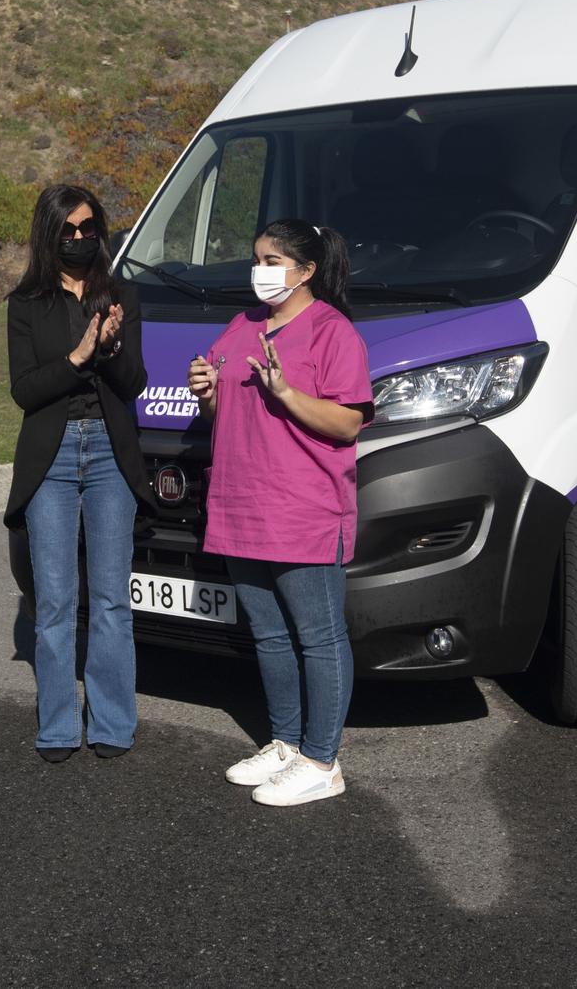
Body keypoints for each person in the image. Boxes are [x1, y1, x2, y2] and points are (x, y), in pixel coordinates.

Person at [187, 219, 371, 807]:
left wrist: (287, 393)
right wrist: (206, 390)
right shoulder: (242, 325)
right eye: (256, 258)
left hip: (303, 508)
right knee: (268, 635)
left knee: (318, 637)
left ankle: (323, 760)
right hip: (242, 503)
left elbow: (348, 422)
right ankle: (286, 744)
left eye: (272, 261)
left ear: (307, 270)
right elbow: (224, 415)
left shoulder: (332, 332)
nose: (259, 271)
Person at [4, 184, 148, 763]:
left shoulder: (122, 296)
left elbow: (134, 385)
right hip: (53, 457)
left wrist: (110, 350)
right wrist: (77, 358)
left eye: (90, 228)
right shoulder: (26, 304)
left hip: (111, 455)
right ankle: (58, 724)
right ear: (49, 234)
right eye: (70, 230)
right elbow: (25, 390)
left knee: (111, 597)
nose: (81, 238)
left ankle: (112, 722)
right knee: (57, 600)